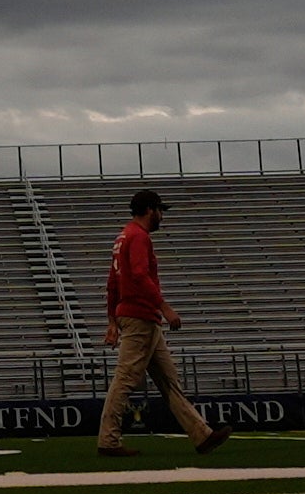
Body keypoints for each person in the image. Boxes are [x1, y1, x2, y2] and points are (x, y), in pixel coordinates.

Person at [90, 187, 226, 458]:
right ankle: (108, 440)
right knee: (126, 379)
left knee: (168, 380)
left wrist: (112, 320)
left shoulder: (123, 237)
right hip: (141, 317)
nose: (162, 216)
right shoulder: (139, 237)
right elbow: (140, 276)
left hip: (138, 316)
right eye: (160, 210)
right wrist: (164, 307)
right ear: (150, 209)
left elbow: (112, 283)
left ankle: (202, 435)